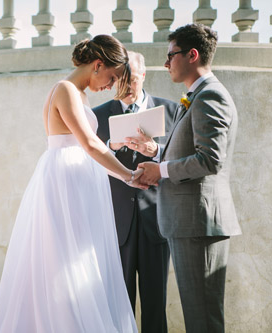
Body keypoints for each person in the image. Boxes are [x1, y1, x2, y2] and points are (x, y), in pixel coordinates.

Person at [0, 35, 143, 333]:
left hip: (75, 179)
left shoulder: (78, 93)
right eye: (111, 77)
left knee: (79, 262)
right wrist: (128, 175)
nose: (110, 86)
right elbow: (89, 144)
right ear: (97, 64)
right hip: (66, 183)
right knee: (66, 263)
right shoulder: (66, 90)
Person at [137, 24, 242, 332]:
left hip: (198, 224)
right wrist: (155, 150)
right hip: (190, 224)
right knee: (199, 316)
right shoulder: (198, 96)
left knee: (204, 319)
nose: (166, 63)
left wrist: (161, 170)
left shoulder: (210, 96)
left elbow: (209, 159)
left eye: (171, 55)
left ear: (192, 55)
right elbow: (190, 150)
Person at [93, 51, 177, 333]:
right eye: (122, 80)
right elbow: (88, 163)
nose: (127, 87)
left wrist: (156, 150)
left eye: (133, 80)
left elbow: (181, 162)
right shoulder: (98, 115)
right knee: (118, 305)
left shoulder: (171, 110)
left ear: (144, 75)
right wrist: (111, 146)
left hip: (157, 221)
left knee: (156, 305)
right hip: (117, 225)